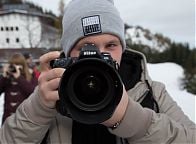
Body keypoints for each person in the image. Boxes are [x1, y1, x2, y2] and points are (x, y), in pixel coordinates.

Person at [0, 0, 195, 143]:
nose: (99, 56)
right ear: (67, 53)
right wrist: (39, 109)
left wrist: (132, 119)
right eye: (86, 46)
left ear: (123, 48)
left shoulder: (151, 91)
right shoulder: (53, 94)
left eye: (111, 45)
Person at [0, 53, 38, 125]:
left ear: (23, 65)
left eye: (18, 64)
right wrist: (4, 77)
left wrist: (19, 78)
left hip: (25, 119)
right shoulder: (7, 78)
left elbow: (33, 93)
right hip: (7, 120)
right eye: (13, 65)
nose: (15, 67)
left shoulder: (30, 76)